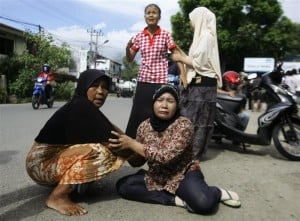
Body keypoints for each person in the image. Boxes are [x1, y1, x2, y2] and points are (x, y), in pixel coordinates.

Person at [108, 84, 241, 215]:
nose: (164, 105)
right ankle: (176, 200)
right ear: (153, 103)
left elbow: (165, 156)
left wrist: (132, 144)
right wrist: (122, 149)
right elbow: (138, 162)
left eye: (170, 101)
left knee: (203, 204)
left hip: (183, 175)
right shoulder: (144, 126)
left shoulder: (184, 125)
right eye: (160, 100)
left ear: (177, 105)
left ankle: (217, 192)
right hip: (157, 175)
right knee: (124, 186)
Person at [26, 69, 129, 216]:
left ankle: (68, 184)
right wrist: (144, 151)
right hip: (41, 165)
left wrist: (134, 146)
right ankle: (58, 196)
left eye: (105, 87)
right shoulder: (81, 106)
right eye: (95, 85)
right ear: (83, 86)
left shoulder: (82, 106)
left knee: (106, 147)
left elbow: (114, 131)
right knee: (101, 151)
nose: (100, 91)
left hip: (45, 164)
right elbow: (118, 143)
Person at [125, 3, 185, 139]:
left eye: (154, 12)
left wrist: (183, 75)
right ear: (145, 16)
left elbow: (176, 55)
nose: (151, 15)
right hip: (143, 79)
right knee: (138, 112)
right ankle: (131, 144)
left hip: (159, 81)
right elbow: (130, 58)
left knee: (158, 112)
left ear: (159, 17)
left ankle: (159, 142)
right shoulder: (140, 36)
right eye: (148, 12)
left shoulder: (165, 35)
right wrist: (127, 49)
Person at [171, 7, 222, 158]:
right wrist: (178, 50)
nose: (190, 23)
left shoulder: (206, 37)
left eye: (192, 19)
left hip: (203, 86)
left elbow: (197, 63)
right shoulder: (202, 37)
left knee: (197, 121)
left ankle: (192, 155)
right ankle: (190, 153)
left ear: (200, 19)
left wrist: (179, 58)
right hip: (201, 84)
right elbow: (194, 59)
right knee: (193, 119)